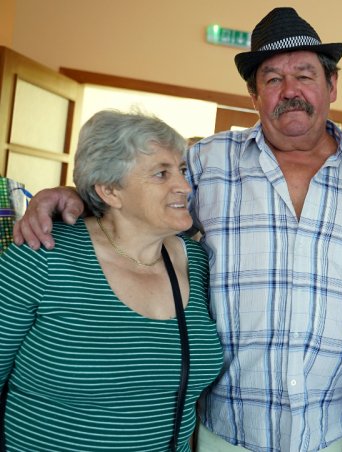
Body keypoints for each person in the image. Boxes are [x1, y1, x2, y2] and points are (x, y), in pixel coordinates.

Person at [12, 8, 342, 452]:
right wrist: (69, 194)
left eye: (305, 75)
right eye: (272, 79)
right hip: (223, 434)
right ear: (253, 94)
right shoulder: (207, 161)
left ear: (332, 84)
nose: (290, 91)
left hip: (332, 435)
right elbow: (137, 195)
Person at [0, 110, 224, 451]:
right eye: (161, 173)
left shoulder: (196, 261)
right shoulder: (41, 257)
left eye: (181, 170)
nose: (184, 186)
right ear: (109, 191)